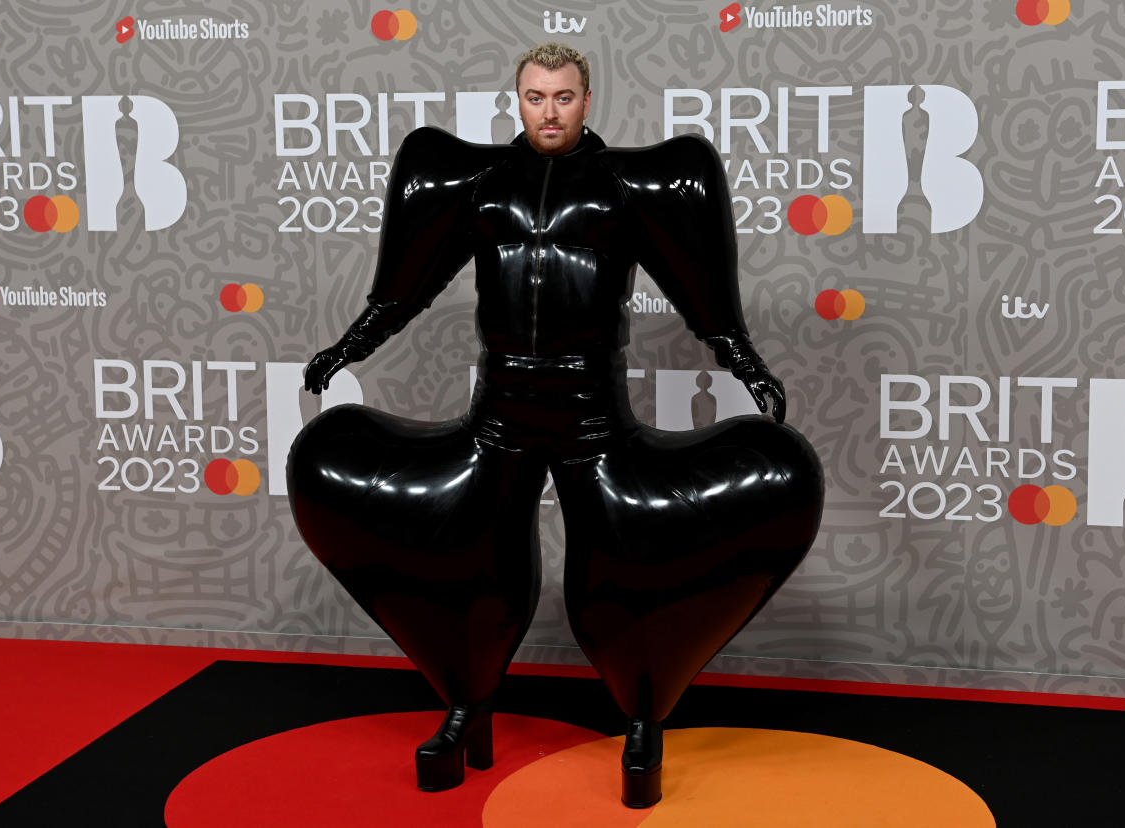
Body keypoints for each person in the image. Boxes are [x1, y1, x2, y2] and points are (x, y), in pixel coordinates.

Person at [287, 43, 823, 808]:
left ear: (587, 99)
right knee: (472, 557)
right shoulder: (479, 186)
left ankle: (643, 716)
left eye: (564, 97)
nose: (549, 110)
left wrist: (745, 360)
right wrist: (349, 346)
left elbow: (699, 290)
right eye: (536, 96)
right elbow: (404, 286)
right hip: (499, 408)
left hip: (590, 410)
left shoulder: (626, 189)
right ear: (518, 100)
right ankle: (466, 706)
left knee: (622, 561)